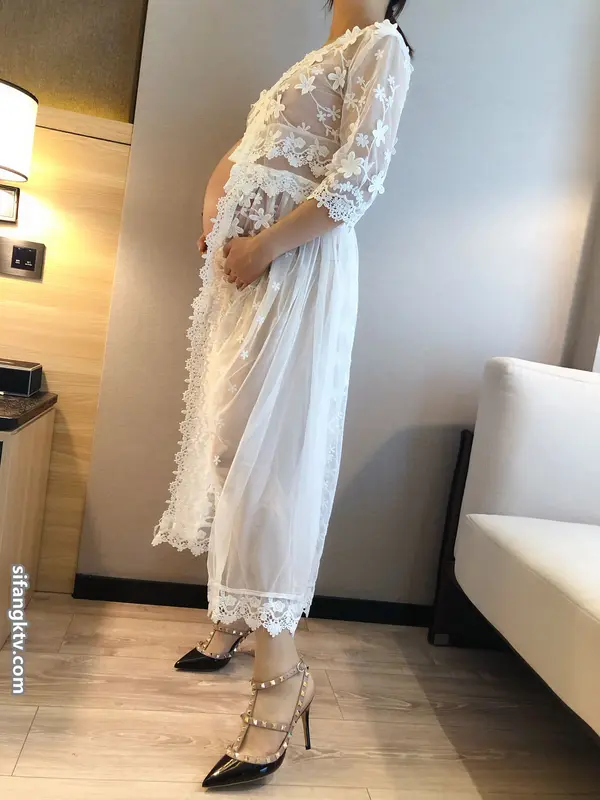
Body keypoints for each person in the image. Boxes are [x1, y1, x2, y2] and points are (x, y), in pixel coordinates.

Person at [152, 0, 414, 788]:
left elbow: (356, 183)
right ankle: (238, 619)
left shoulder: (382, 46)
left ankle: (282, 677)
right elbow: (248, 149)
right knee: (232, 447)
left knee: (267, 462)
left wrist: (263, 245)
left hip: (295, 272)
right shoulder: (314, 60)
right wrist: (216, 215)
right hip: (256, 277)